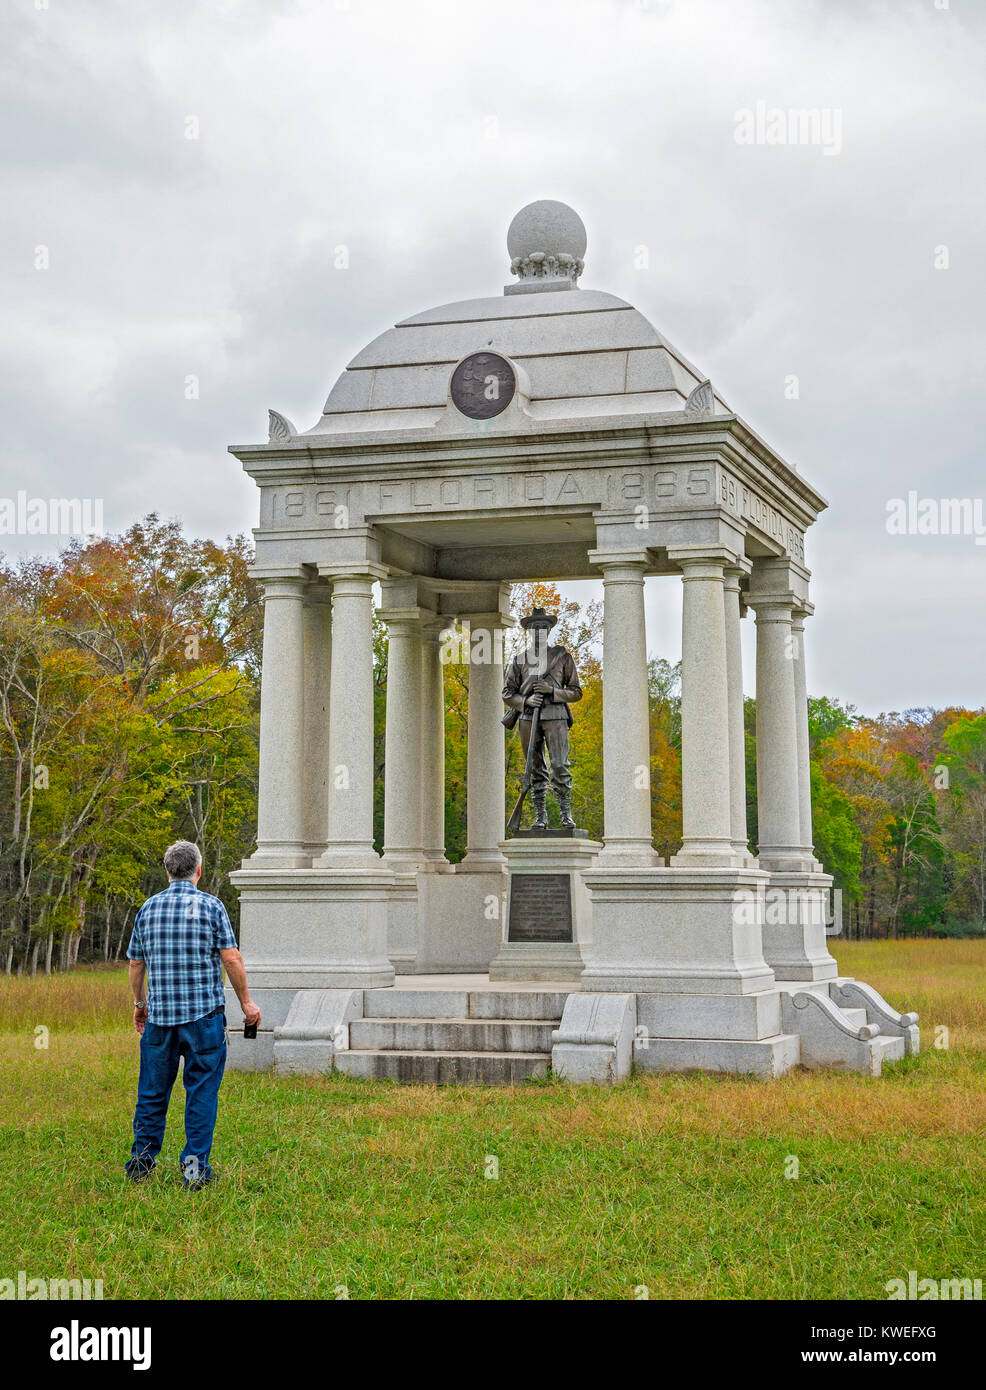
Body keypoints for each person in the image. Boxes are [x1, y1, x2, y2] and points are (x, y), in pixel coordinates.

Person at [125, 840, 261, 1189]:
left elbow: (137, 963)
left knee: (152, 1092)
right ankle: (194, 1169)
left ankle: (141, 1163)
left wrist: (140, 1005)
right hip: (204, 1018)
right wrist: (247, 1003)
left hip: (160, 1018)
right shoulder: (212, 907)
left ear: (167, 870)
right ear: (198, 870)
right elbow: (231, 959)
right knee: (201, 1092)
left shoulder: (148, 909)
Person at [501, 606, 583, 829]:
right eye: (534, 627)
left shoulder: (562, 657)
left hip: (556, 716)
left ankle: (566, 814)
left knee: (559, 765)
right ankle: (540, 817)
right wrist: (526, 701)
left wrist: (552, 692)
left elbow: (576, 692)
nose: (539, 631)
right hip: (528, 718)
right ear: (529, 631)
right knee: (534, 767)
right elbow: (507, 693)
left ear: (549, 631)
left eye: (543, 627)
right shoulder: (519, 660)